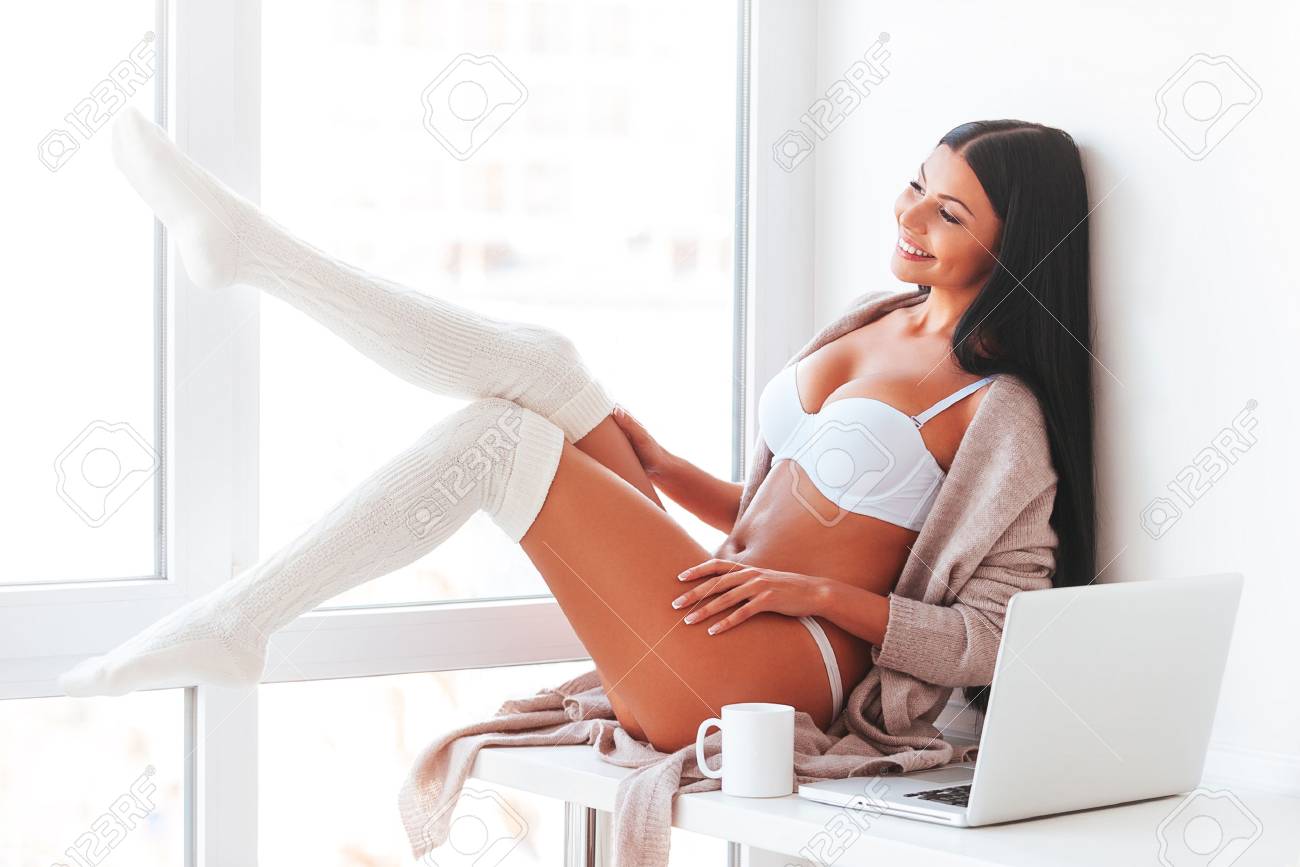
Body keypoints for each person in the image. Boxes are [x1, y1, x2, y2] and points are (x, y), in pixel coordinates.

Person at [60, 108, 1095, 754]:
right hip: (719, 603)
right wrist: (665, 470)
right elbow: (796, 512)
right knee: (546, 367)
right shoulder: (871, 320)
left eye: (948, 216)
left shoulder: (995, 409)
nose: (910, 219)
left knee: (499, 444)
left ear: (1015, 248)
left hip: (772, 677)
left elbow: (998, 637)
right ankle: (249, 252)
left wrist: (817, 594)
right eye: (917, 185)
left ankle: (240, 622)